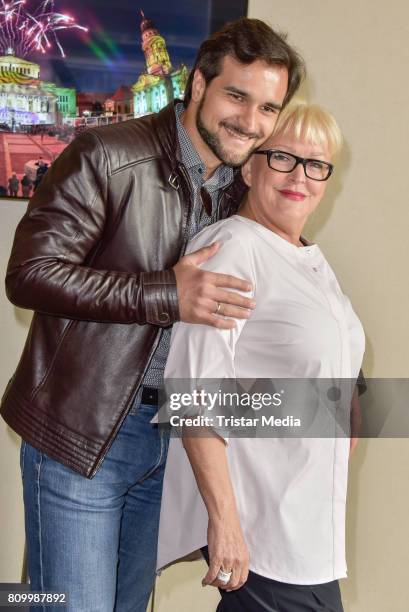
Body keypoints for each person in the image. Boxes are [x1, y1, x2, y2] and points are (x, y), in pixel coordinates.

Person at [1, 18, 305, 612]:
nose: (251, 122)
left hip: (170, 444)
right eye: (236, 96)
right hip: (82, 436)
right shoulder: (107, 154)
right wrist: (168, 293)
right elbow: (29, 274)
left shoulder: (237, 190)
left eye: (269, 107)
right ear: (197, 86)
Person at [157, 101, 365, 611]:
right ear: (249, 166)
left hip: (309, 530)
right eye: (283, 158)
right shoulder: (232, 248)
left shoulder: (307, 261)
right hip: (262, 527)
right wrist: (225, 524)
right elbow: (193, 396)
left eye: (316, 164)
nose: (301, 176)